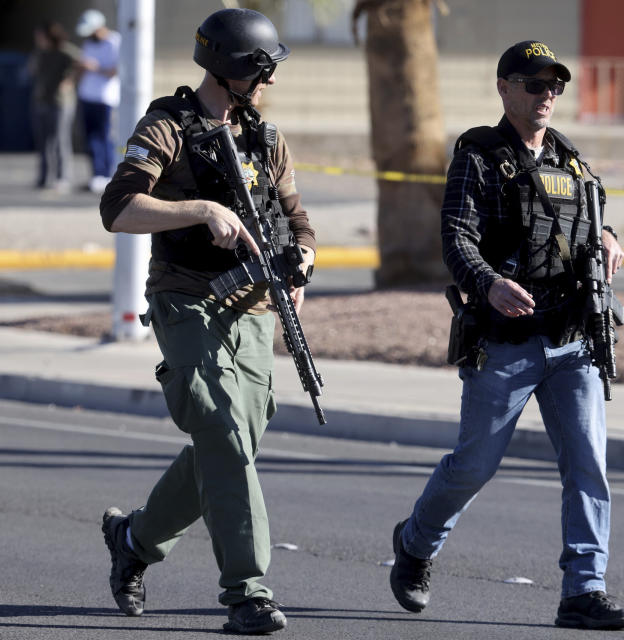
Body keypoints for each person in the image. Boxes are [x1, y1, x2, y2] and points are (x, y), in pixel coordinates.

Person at [388, 40, 624, 630]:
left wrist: (609, 237)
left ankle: (583, 589)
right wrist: (490, 282)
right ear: (504, 87)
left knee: (587, 465)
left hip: (573, 338)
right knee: (475, 464)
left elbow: (588, 220)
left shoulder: (570, 160)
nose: (546, 95)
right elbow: (456, 239)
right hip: (506, 339)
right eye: (533, 84)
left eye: (554, 85)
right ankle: (416, 543)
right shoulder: (478, 156)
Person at [97, 8, 316, 635]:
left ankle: (134, 539)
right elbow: (118, 207)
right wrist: (198, 210)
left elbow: (296, 220)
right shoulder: (167, 125)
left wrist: (303, 262)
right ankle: (248, 591)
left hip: (252, 309)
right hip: (187, 300)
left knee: (236, 440)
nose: (268, 82)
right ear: (233, 68)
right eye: (263, 70)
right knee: (221, 431)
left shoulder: (266, 139)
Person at [27, 21, 81, 191]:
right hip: (41, 101)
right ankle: (43, 178)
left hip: (61, 103)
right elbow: (31, 70)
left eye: (40, 36)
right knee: (43, 142)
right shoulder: (40, 53)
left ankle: (63, 177)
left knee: (60, 140)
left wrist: (69, 81)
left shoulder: (65, 51)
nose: (37, 39)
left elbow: (83, 64)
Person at [75, 8, 120, 193]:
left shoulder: (114, 42)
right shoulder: (89, 43)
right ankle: (96, 175)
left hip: (105, 98)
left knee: (104, 137)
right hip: (87, 96)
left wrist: (95, 68)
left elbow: (115, 71)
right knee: (90, 138)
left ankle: (107, 174)